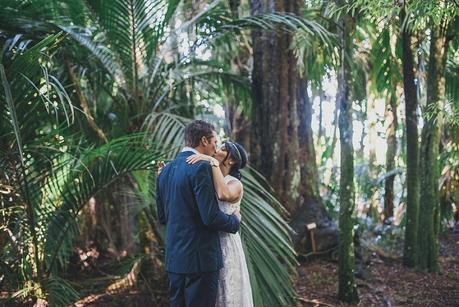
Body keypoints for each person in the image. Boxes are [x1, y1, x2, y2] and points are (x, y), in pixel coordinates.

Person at [156, 120, 241, 307]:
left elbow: (162, 218)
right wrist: (234, 221)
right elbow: (210, 217)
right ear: (204, 141)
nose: (215, 147)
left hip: (174, 261)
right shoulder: (202, 167)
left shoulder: (164, 171)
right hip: (201, 261)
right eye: (215, 142)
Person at [187, 141, 253, 307]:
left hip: (226, 244)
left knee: (228, 291)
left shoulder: (235, 183)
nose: (217, 149)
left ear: (231, 161)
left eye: (223, 148)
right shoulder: (208, 177)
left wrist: (213, 162)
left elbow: (223, 194)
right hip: (207, 243)